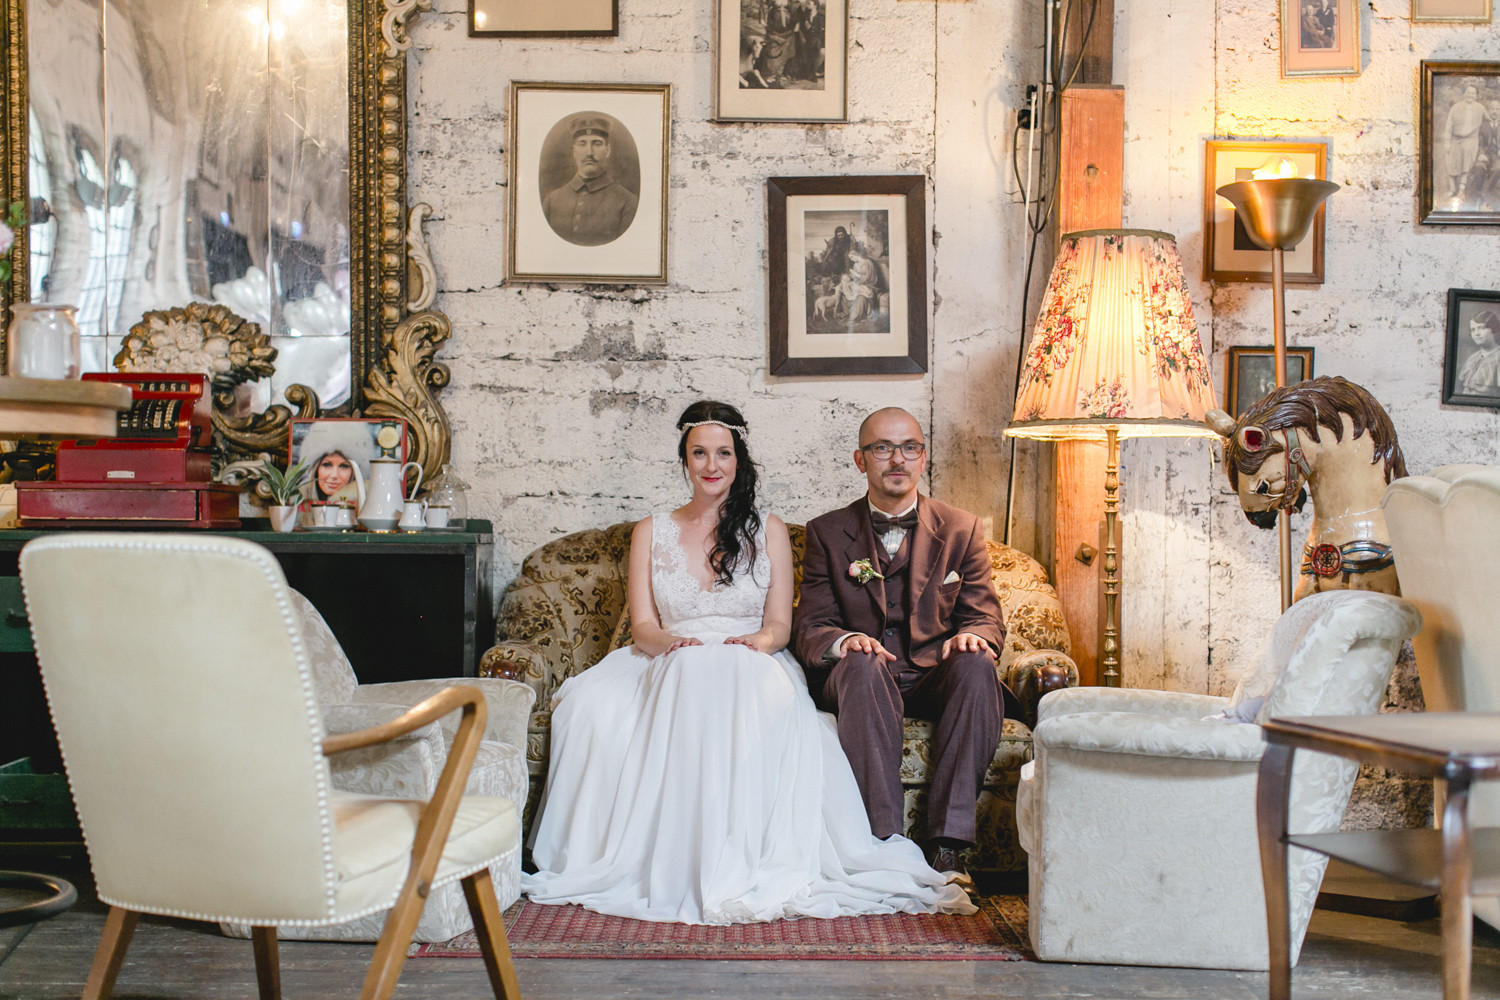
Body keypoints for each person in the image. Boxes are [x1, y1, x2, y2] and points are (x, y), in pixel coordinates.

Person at [523, 401, 974, 924]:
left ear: (739, 461)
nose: (711, 465)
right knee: (592, 709)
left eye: (723, 453)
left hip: (751, 652)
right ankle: (664, 862)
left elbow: (780, 625)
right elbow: (644, 625)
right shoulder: (650, 531)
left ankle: (742, 859)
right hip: (669, 651)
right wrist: (670, 646)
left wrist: (753, 645)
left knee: (734, 683)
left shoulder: (770, 529)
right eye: (699, 454)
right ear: (685, 460)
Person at [793, 407, 1015, 888]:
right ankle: (882, 843)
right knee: (860, 663)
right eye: (882, 448)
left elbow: (983, 612)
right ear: (860, 460)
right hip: (864, 680)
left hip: (935, 673)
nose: (898, 459)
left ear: (923, 456)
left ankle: (947, 848)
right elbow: (811, 624)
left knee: (978, 666)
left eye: (909, 447)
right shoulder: (827, 533)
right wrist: (844, 640)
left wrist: (974, 634)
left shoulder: (962, 528)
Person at [541, 116, 638, 247]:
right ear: (574, 151)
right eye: (582, 144)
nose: (589, 153)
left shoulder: (627, 201)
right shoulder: (552, 200)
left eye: (597, 144)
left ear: (608, 150)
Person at [295, 420, 374, 504]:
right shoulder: (296, 501)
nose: (334, 475)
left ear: (355, 472)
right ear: (315, 467)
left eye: (344, 466)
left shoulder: (368, 503)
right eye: (327, 465)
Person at [1446, 84, 1488, 200]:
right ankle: (1452, 188)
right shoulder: (1456, 107)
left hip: (1471, 140)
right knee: (1452, 163)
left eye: (1473, 93)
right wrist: (1447, 142)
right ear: (1464, 94)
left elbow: (1490, 121)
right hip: (1456, 139)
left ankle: (1461, 190)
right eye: (1468, 92)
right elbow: (1449, 125)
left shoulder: (1480, 108)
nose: (1470, 95)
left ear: (1476, 96)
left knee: (1466, 163)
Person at [1459, 309, 1500, 396]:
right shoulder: (1472, 358)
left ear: (1493, 328)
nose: (1476, 333)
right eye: (1473, 330)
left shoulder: (1498, 357)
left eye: (1481, 328)